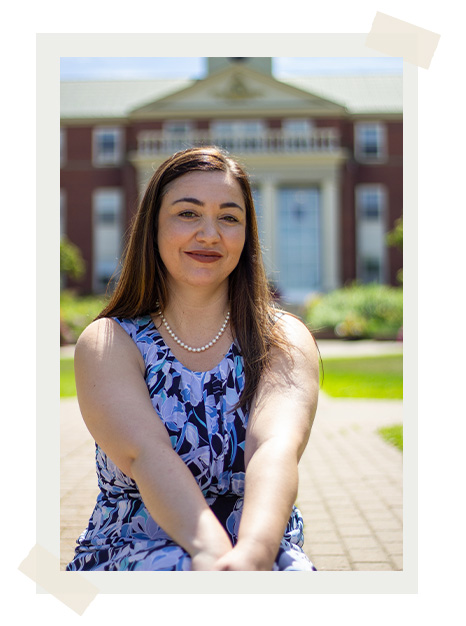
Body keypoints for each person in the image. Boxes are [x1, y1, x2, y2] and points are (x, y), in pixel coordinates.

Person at [66, 146, 319, 571]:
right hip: (136, 546)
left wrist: (254, 556)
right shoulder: (110, 341)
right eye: (188, 213)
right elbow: (147, 455)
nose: (210, 234)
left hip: (260, 543)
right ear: (154, 227)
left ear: (246, 233)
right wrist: (212, 557)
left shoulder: (282, 337)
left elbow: (274, 448)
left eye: (229, 217)